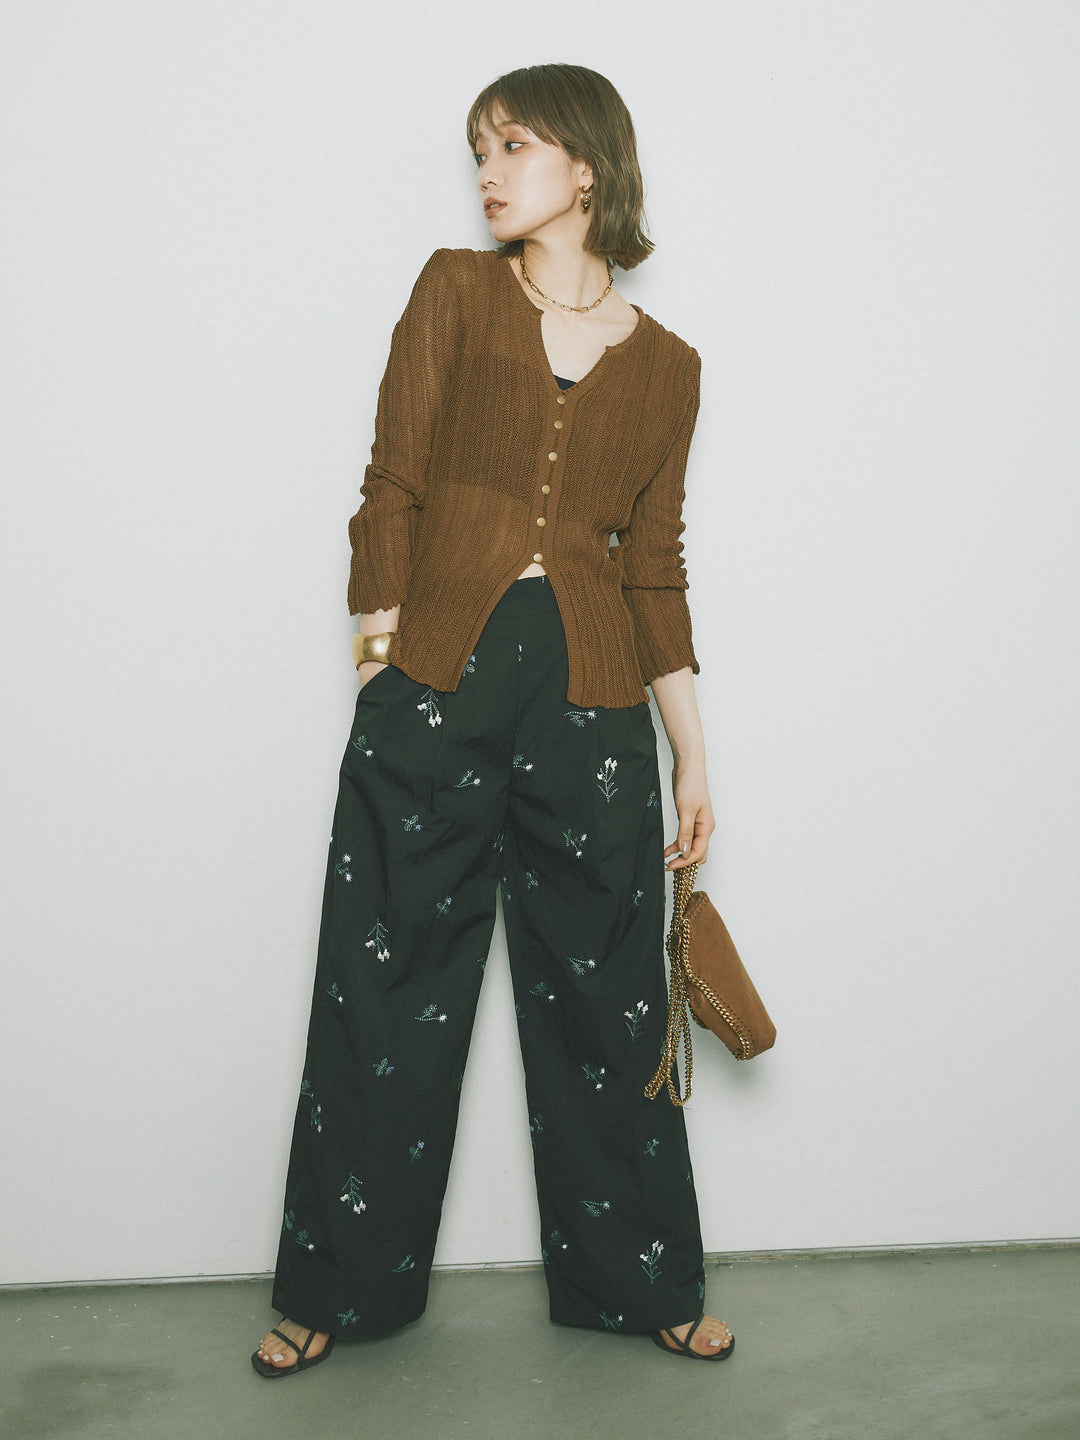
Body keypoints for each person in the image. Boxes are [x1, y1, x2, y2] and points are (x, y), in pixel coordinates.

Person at [251, 62, 734, 1377]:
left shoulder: (671, 368)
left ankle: (643, 1283)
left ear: (586, 165)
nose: (487, 170)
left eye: (512, 144)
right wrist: (383, 665)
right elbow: (391, 484)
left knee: (607, 997)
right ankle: (335, 1289)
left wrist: (692, 751)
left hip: (593, 698)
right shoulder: (455, 293)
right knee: (384, 981)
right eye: (479, 148)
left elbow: (654, 567)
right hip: (439, 675)